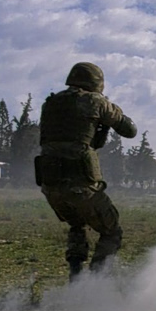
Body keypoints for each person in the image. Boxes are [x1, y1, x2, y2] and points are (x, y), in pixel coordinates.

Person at [36, 62, 138, 281]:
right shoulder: (96, 101)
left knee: (76, 224)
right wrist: (111, 112)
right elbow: (130, 130)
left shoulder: (51, 103)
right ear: (97, 83)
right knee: (111, 231)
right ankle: (94, 285)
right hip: (82, 185)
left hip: (50, 185)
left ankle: (75, 277)